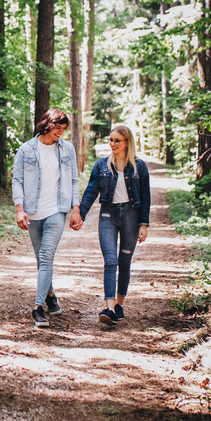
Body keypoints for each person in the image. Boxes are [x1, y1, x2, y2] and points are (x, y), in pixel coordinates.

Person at [74, 125, 151, 326]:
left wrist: (144, 224)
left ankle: (119, 304)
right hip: (108, 215)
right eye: (111, 140)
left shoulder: (139, 167)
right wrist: (79, 214)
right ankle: (108, 308)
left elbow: (145, 196)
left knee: (124, 262)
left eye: (117, 140)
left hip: (132, 217)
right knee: (110, 261)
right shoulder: (101, 166)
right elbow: (91, 192)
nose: (113, 144)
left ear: (127, 142)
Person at [11, 108, 81, 328]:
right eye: (57, 128)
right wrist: (19, 209)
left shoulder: (67, 149)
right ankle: (50, 294)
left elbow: (74, 180)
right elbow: (17, 181)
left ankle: (38, 307)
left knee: (46, 256)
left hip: (57, 210)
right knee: (41, 258)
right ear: (47, 125)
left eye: (63, 129)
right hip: (32, 212)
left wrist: (75, 209)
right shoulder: (26, 149)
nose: (60, 132)